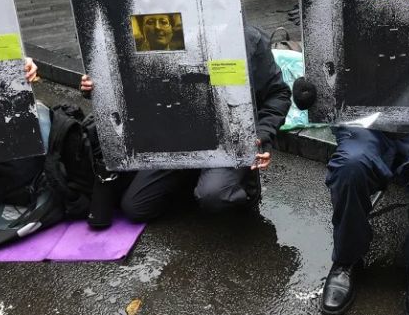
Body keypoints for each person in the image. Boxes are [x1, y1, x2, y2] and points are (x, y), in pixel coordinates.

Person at [79, 24, 290, 218]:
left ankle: (242, 185)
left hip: (228, 137)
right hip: (176, 136)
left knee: (214, 195)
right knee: (136, 207)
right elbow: (133, 83)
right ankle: (192, 177)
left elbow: (278, 94)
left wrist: (261, 134)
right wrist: (99, 87)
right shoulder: (159, 29)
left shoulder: (244, 36)